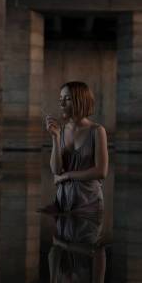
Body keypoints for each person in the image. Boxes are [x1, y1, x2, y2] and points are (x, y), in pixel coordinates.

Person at [44, 81, 108, 213]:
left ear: (81, 101)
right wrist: (55, 137)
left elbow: (101, 171)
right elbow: (56, 170)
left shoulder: (97, 131)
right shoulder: (60, 131)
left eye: (67, 99)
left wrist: (67, 175)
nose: (61, 104)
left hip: (90, 202)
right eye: (60, 99)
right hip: (63, 201)